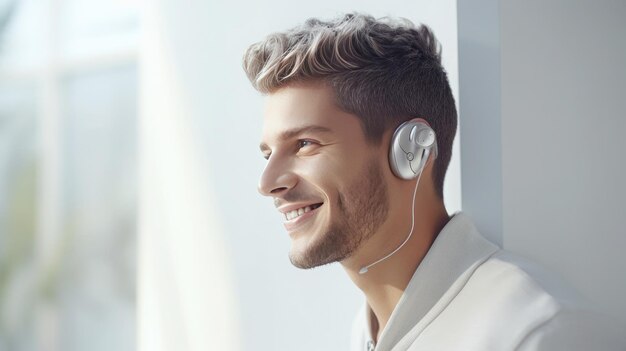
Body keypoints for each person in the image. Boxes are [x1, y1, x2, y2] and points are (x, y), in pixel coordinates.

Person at [242, 13, 624, 351]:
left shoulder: (534, 334)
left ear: (410, 150)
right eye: (267, 154)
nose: (267, 182)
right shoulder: (369, 329)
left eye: (305, 143)